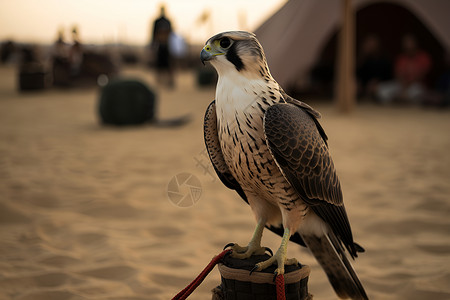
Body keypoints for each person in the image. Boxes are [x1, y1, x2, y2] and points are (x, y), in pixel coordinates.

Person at [376, 34, 431, 104]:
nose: (408, 45)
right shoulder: (401, 58)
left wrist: (407, 86)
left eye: (410, 42)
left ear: (415, 43)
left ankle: (402, 99)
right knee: (382, 90)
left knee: (417, 92)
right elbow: (397, 74)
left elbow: (421, 76)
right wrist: (403, 88)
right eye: (406, 43)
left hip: (415, 85)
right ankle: (399, 99)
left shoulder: (423, 57)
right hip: (401, 85)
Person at [356, 35, 392, 99]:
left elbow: (388, 76)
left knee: (381, 90)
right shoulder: (363, 60)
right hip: (365, 86)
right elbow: (358, 74)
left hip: (381, 85)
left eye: (372, 44)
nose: (370, 46)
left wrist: (377, 81)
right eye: (368, 44)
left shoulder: (383, 60)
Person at [151, 4, 175, 88]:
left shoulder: (168, 21)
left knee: (168, 64)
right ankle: (159, 81)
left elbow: (171, 33)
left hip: (167, 45)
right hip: (160, 45)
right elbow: (153, 34)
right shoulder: (157, 21)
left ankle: (170, 81)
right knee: (159, 64)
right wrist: (153, 45)